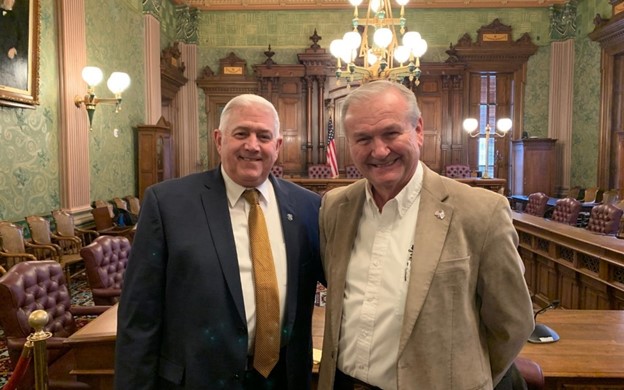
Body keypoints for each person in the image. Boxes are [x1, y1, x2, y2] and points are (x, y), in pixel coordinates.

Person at [318, 80, 534, 390]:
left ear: (418, 130)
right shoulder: (335, 207)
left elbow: (512, 324)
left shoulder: (481, 212)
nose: (379, 150)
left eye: (391, 133)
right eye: (362, 138)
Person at [115, 94, 322, 389]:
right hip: (198, 380)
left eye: (264, 136)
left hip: (284, 380)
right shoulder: (168, 204)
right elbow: (139, 316)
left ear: (277, 146)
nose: (252, 145)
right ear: (219, 139)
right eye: (241, 133)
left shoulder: (308, 207)